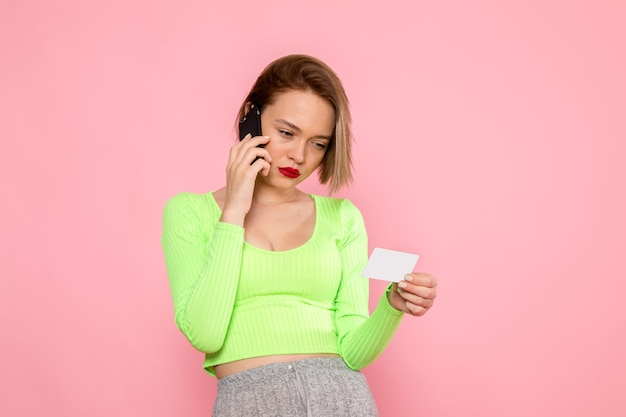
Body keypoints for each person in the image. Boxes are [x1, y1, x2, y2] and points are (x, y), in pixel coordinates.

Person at [161, 54, 437, 416]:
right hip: (249, 401)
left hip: (341, 397)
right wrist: (233, 213)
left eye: (318, 144)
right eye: (287, 133)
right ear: (251, 116)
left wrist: (392, 307)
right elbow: (206, 333)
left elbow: (353, 351)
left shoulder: (343, 218)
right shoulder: (189, 213)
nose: (299, 156)